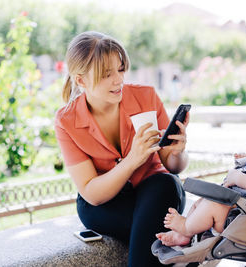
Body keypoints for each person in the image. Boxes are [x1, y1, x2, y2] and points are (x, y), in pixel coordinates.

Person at [54, 31, 188, 266]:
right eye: (107, 74)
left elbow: (173, 167)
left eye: (121, 69)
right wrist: (132, 160)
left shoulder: (145, 96)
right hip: (104, 202)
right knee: (153, 224)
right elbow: (92, 193)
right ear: (81, 80)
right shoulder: (67, 121)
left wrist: (177, 151)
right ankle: (181, 247)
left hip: (154, 191)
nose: (118, 80)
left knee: (165, 185)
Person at [156, 113, 246, 247]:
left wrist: (239, 178)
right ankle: (184, 235)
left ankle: (186, 228)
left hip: (240, 214)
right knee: (201, 202)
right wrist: (245, 161)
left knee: (212, 204)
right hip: (230, 204)